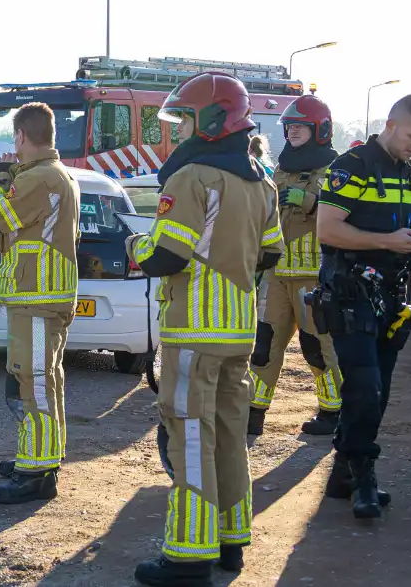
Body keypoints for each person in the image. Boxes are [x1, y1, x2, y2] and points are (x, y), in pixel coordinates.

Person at [125, 72, 283, 587]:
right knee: (230, 435)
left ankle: (189, 557)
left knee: (190, 436)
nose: (179, 131)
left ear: (212, 120)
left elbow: (166, 254)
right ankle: (231, 541)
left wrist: (134, 250)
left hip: (195, 331)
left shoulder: (191, 177)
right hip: (238, 328)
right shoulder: (263, 180)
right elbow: (273, 252)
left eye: (186, 119)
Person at [313, 94, 411, 520]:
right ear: (391, 124)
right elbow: (328, 230)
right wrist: (387, 241)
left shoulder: (407, 173)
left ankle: (343, 473)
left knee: (380, 390)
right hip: (349, 293)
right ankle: (364, 476)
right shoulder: (351, 166)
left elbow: (404, 227)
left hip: (391, 297)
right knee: (366, 387)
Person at [0, 102, 80, 505]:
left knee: (33, 381)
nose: (14, 147)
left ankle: (35, 474)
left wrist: (1, 179)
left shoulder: (39, 177)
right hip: (41, 295)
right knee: (46, 379)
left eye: (15, 139)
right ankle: (40, 456)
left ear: (22, 136)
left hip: (37, 298)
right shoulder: (55, 174)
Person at [247, 95, 343, 437]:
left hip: (313, 278)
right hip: (276, 275)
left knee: (318, 348)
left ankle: (332, 413)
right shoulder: (281, 169)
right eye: (289, 128)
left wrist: (313, 202)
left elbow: (344, 214)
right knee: (264, 346)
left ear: (320, 130)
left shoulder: (334, 169)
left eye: (300, 127)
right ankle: (254, 410)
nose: (292, 133)